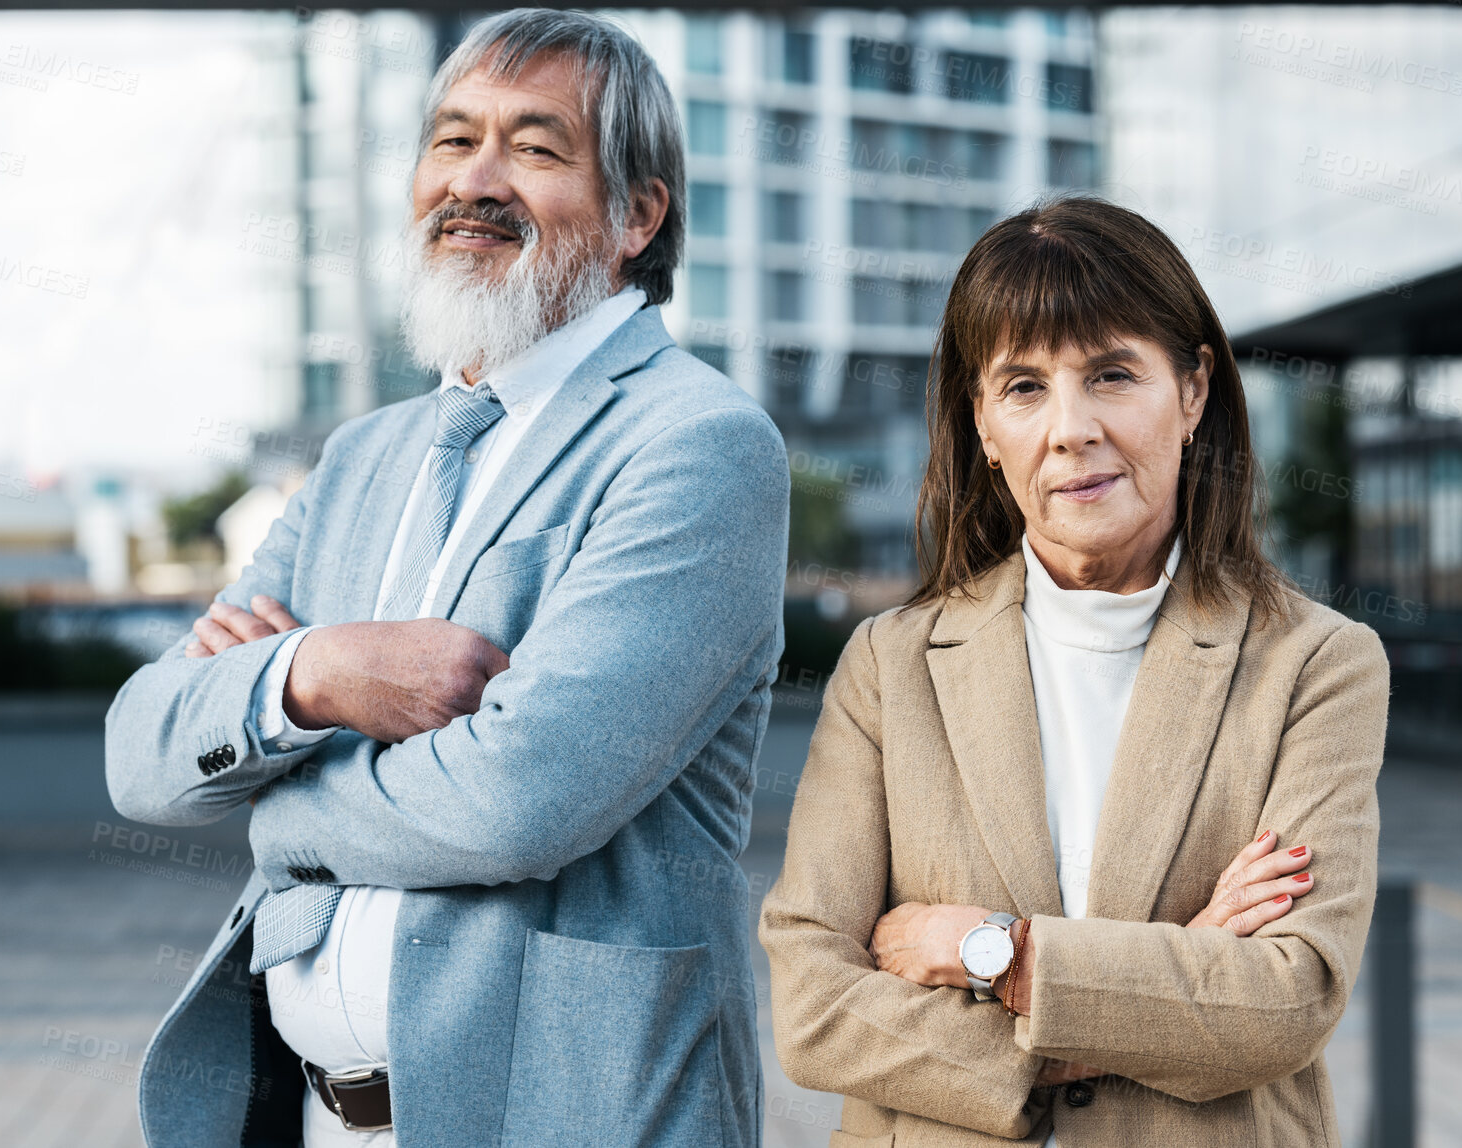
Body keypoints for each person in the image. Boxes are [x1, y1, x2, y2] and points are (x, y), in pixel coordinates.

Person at [105, 10, 787, 1146]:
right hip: (317, 1117)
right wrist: (312, 673)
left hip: (567, 1117)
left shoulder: (698, 443)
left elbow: (517, 799)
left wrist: (277, 809)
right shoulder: (363, 455)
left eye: (534, 146)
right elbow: (144, 752)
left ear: (638, 214)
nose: (474, 181)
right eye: (451, 139)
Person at [759, 197, 1389, 1146]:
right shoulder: (893, 665)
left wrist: (983, 953)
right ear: (982, 422)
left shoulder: (1313, 664)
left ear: (1193, 391)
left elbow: (1286, 1000)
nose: (1069, 428)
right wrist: (1171, 976)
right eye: (1023, 387)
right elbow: (811, 1008)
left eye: (1111, 374)